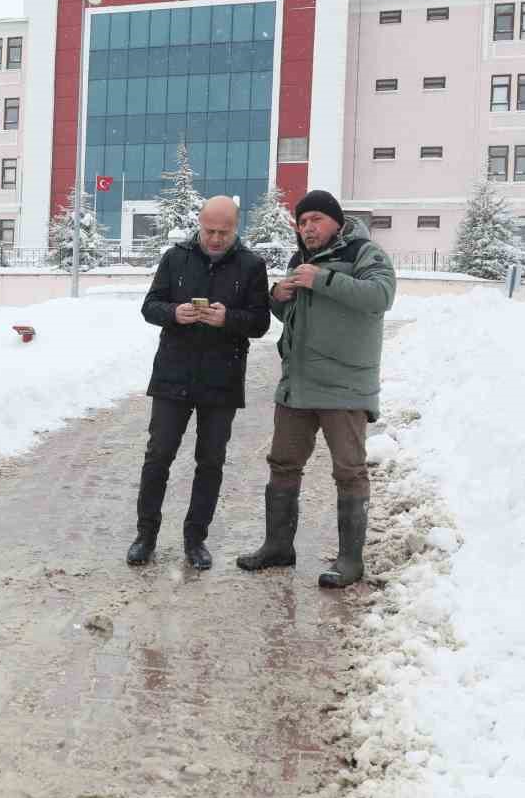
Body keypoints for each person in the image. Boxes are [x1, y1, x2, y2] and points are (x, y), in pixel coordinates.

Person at [236, 190, 395, 588]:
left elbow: (380, 296)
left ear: (336, 222)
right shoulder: (299, 261)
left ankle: (350, 561)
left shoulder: (365, 254)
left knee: (349, 472)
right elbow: (296, 315)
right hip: (298, 385)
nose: (308, 228)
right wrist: (278, 297)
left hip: (345, 387)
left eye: (317, 220)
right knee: (283, 464)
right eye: (302, 222)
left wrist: (323, 279)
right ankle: (278, 546)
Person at [129, 196, 271, 569]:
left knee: (210, 462)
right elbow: (150, 306)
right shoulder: (176, 258)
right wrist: (175, 312)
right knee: (158, 456)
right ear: (200, 225)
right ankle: (145, 535)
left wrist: (229, 319)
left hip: (222, 380)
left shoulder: (252, 266)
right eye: (210, 230)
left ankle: (196, 540)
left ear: (235, 228)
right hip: (173, 375)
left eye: (224, 232)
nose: (215, 238)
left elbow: (260, 322)